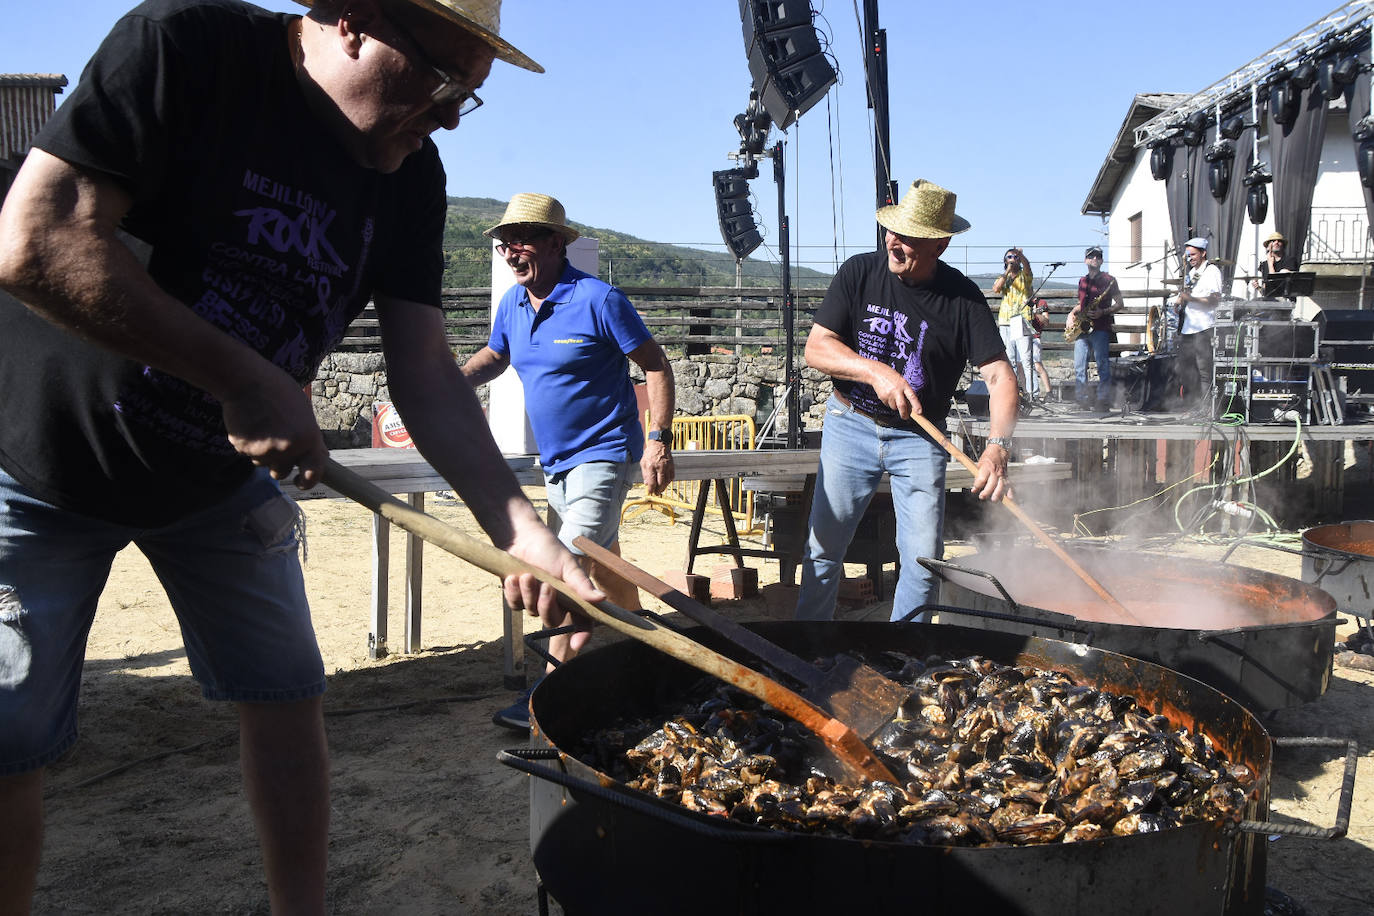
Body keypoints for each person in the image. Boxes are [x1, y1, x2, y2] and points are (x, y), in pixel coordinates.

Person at [0, 1, 602, 911]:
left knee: (287, 697)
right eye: (442, 80)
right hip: (45, 462)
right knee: (10, 741)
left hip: (218, 478)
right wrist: (238, 375)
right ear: (354, 19)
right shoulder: (188, 51)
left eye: (466, 99)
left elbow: (425, 370)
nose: (446, 116)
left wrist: (520, 530)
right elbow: (36, 241)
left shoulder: (409, 174)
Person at [461, 192, 675, 730]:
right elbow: (496, 355)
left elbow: (656, 366)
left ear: (558, 244)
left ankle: (547, 692)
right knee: (606, 572)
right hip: (556, 465)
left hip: (603, 456)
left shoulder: (599, 300)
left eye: (524, 240)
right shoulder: (512, 303)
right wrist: (451, 379)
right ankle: (649, 660)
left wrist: (658, 439)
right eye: (506, 243)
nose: (512, 252)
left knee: (561, 571)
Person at [795, 179, 1018, 622]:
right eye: (893, 231)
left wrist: (997, 448)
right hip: (850, 422)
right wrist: (875, 371)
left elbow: (1000, 379)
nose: (893, 242)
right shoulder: (860, 272)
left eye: (909, 236)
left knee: (922, 564)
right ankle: (807, 652)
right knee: (823, 551)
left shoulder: (963, 300)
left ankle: (906, 657)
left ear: (940, 244)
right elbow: (817, 348)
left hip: (920, 438)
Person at [1069, 246, 1125, 410]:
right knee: (1079, 365)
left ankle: (1103, 400)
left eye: (1098, 256)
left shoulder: (1110, 280)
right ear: (1085, 260)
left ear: (1101, 260)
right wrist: (1071, 314)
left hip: (1100, 327)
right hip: (1083, 329)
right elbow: (1081, 305)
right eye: (1091, 256)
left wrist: (1103, 312)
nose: (1095, 259)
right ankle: (1082, 400)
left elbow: (1120, 304)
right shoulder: (1082, 281)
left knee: (1102, 364)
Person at [1173, 237, 1223, 410]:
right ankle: (1191, 406)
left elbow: (1215, 300)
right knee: (1185, 369)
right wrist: (1179, 302)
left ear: (1203, 253)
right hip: (1188, 328)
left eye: (1193, 254)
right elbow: (1188, 298)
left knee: (1204, 370)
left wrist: (1190, 298)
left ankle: (1207, 409)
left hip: (1204, 327)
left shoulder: (1212, 271)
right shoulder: (1191, 274)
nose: (1190, 258)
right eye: (1188, 255)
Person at [992, 247, 1036, 402]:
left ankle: (1031, 394)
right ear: (1005, 260)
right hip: (1005, 320)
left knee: (1026, 358)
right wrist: (1007, 272)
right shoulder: (1003, 277)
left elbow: (1028, 267)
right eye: (1009, 257)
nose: (1012, 259)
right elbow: (996, 288)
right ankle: (1016, 393)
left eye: (1014, 257)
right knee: (1010, 359)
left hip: (1021, 318)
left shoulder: (1024, 276)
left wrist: (1021, 255)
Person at [1252, 231, 1301, 297]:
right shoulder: (1264, 265)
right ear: (1268, 247)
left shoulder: (1290, 260)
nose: (1276, 242)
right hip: (1270, 302)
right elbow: (1267, 291)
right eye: (1273, 241)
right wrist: (1259, 288)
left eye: (1279, 241)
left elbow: (1276, 284)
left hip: (1285, 302)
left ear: (1283, 245)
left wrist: (1270, 265)